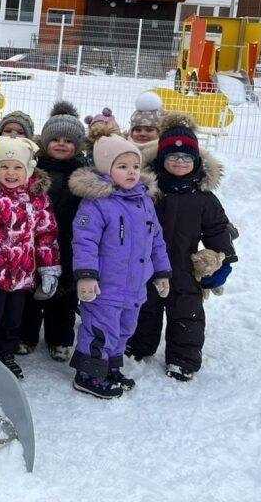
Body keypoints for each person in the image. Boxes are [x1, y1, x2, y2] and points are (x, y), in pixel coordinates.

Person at [127, 114, 236, 382]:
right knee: (145, 307)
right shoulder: (148, 191)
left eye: (186, 157)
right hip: (149, 264)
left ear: (196, 162)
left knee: (187, 313)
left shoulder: (204, 199)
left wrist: (222, 260)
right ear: (161, 159)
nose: (179, 161)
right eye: (172, 156)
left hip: (186, 266)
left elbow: (218, 230)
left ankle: (183, 359)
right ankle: (139, 346)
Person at [68, 128, 171, 398]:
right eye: (122, 166)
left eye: (135, 166)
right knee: (101, 329)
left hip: (134, 287)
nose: (131, 172)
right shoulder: (97, 204)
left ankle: (110, 366)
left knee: (124, 330)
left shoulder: (144, 201)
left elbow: (156, 239)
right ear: (105, 169)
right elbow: (84, 242)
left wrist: (161, 272)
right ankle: (88, 373)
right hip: (105, 286)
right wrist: (87, 276)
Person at [0, 136, 60, 379]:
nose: (11, 172)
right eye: (4, 166)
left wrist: (49, 267)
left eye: (18, 167)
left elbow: (46, 235)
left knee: (13, 320)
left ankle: (6, 355)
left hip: (21, 275)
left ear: (29, 170)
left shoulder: (37, 199)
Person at [19, 101, 87, 362]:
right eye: (55, 139)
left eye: (68, 141)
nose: (61, 144)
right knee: (32, 292)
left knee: (65, 296)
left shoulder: (82, 175)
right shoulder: (32, 171)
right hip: (36, 242)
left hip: (69, 242)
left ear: (77, 145)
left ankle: (60, 338)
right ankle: (26, 335)